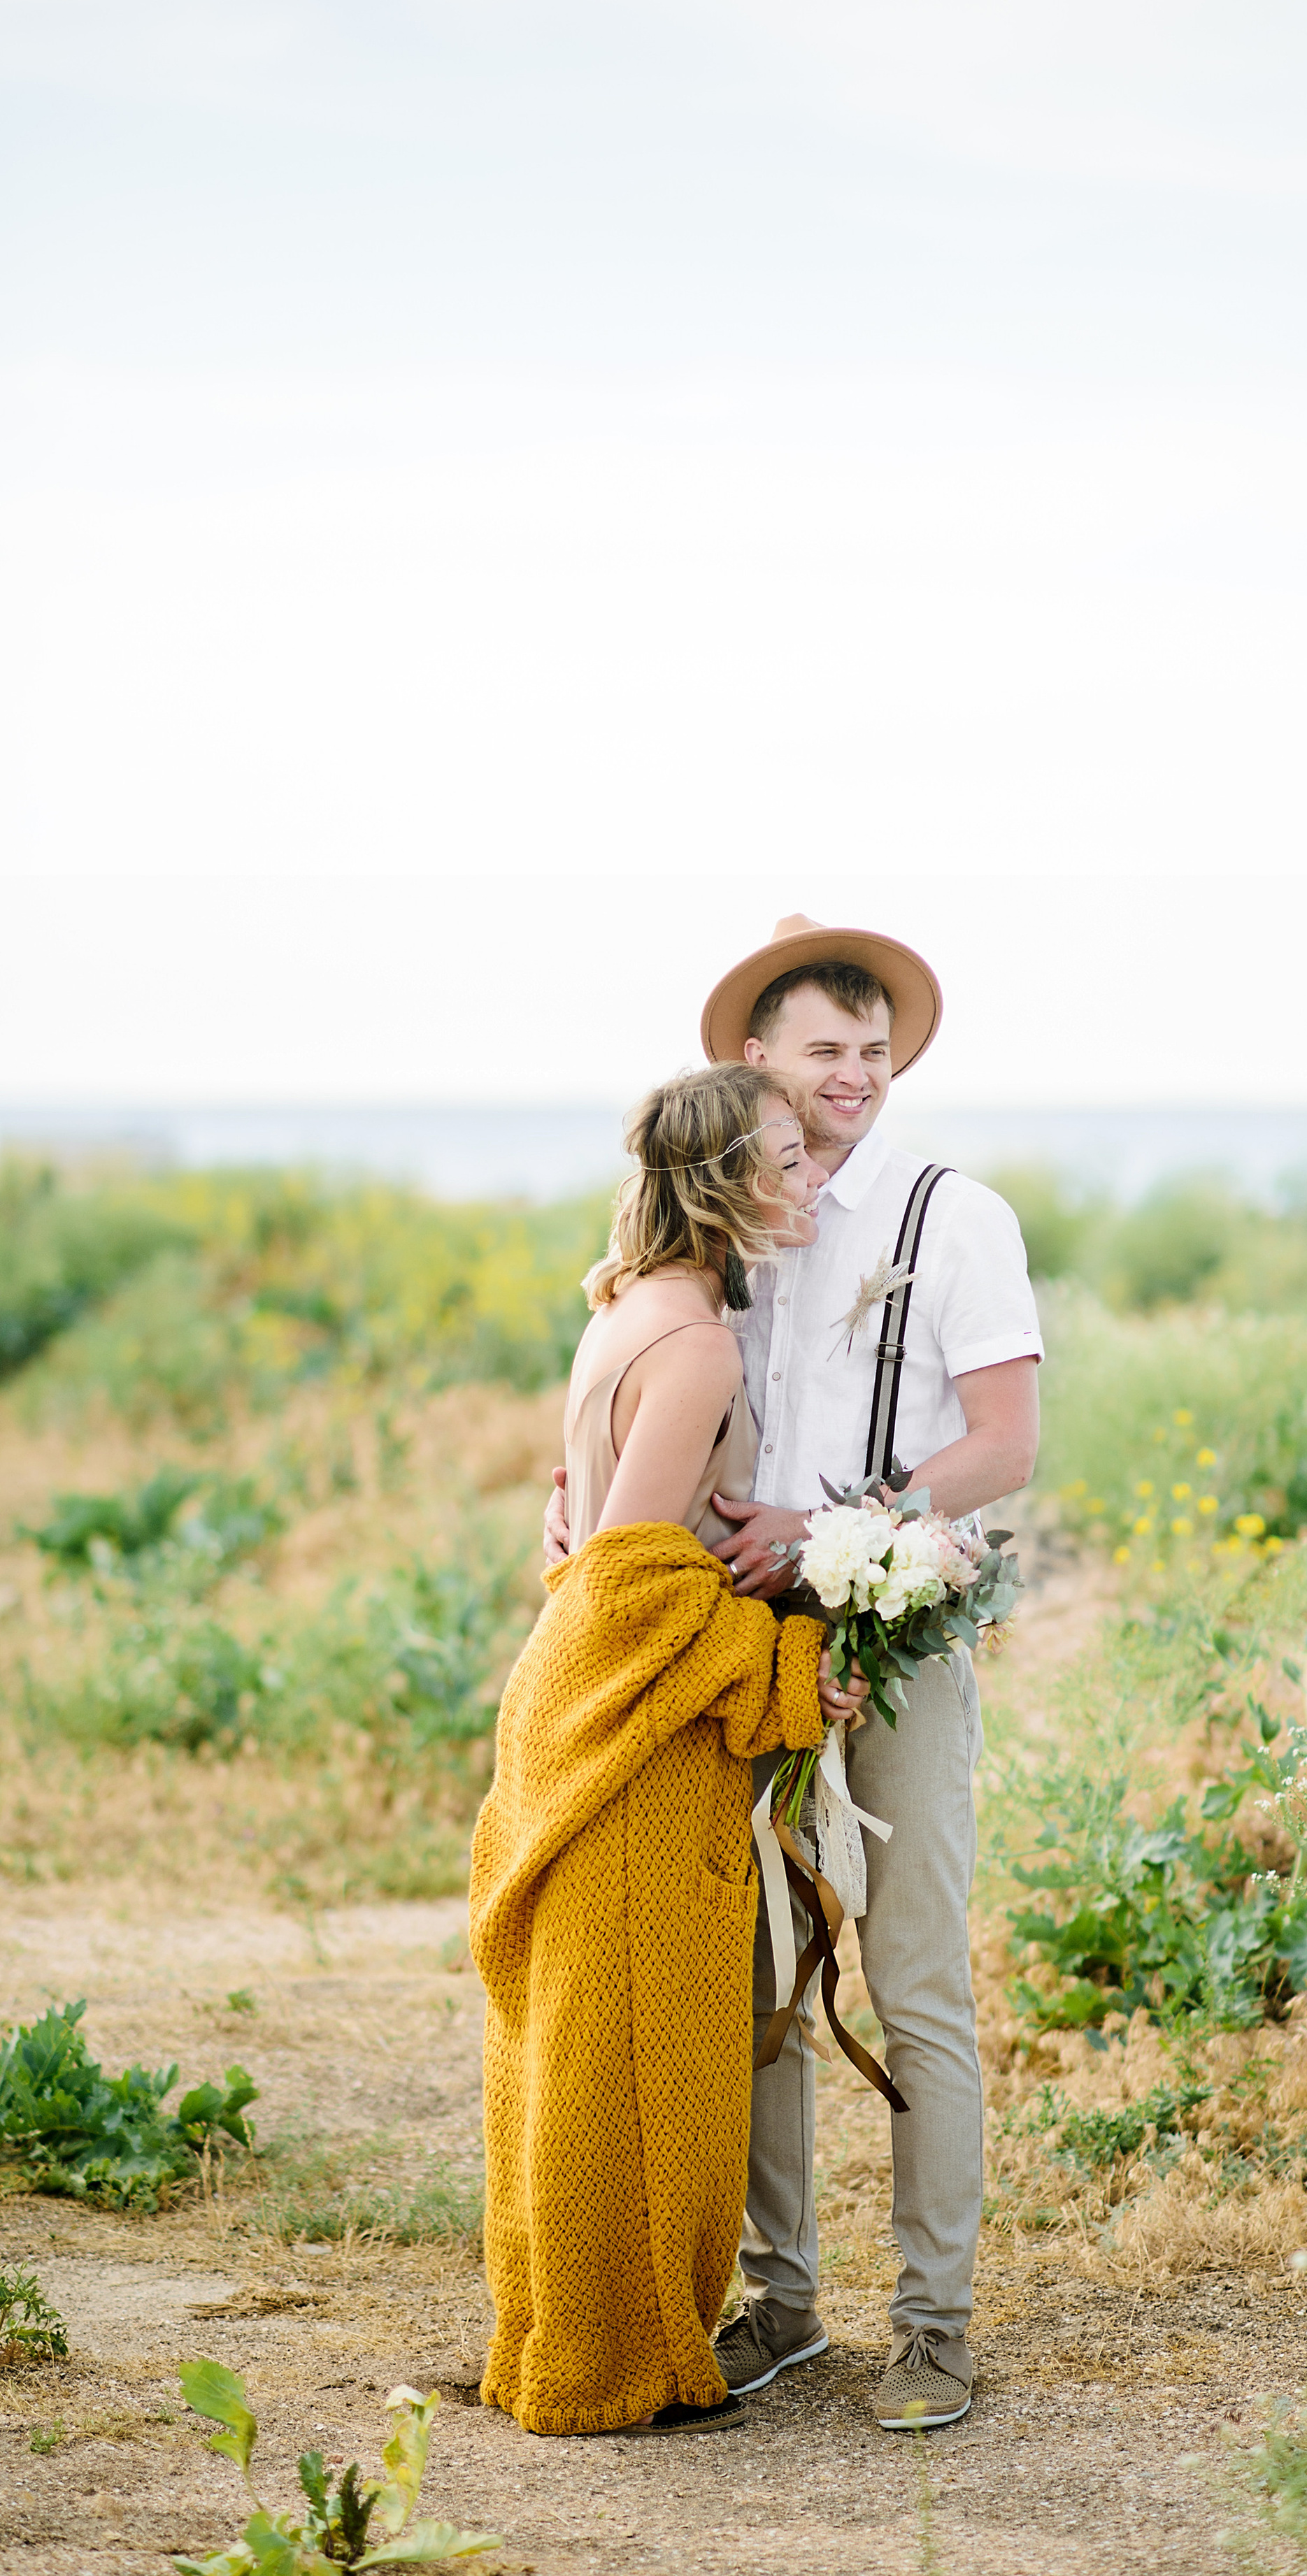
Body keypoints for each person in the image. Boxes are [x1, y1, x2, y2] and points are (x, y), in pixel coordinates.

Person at [545, 919, 1041, 2431]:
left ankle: (935, 2324)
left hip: (891, 1641)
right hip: (731, 1659)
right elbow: (656, 1402)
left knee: (914, 1977)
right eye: (825, 1049)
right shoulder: (739, 1215)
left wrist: (838, 1531)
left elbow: (1004, 1448)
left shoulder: (954, 1217)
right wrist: (577, 1503)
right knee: (752, 1980)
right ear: (757, 1059)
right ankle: (781, 2302)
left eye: (874, 1052)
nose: (855, 1077)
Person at [470, 1062, 866, 2440]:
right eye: (783, 1157)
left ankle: (575, 2340)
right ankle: (609, 2365)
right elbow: (632, 1589)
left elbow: (590, 1537)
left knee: (588, 2052)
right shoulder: (696, 1347)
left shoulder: (627, 1308)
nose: (808, 1172)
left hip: (585, 1709)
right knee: (633, 2065)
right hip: (630, 1738)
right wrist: (788, 1671)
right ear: (721, 1188)